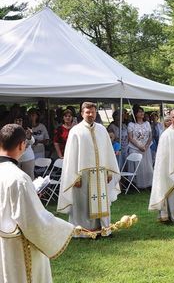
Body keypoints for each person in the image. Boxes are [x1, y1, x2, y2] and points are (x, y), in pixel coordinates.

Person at [0, 124, 74, 282]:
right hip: (17, 248)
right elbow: (33, 220)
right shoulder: (19, 179)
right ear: (22, 145)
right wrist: (66, 229)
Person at [57, 102, 120, 238]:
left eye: (93, 112)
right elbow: (71, 157)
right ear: (82, 113)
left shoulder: (102, 130)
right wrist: (75, 177)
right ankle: (84, 232)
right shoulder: (76, 131)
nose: (91, 114)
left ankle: (104, 228)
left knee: (102, 201)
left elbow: (108, 151)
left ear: (96, 113)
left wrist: (109, 172)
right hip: (83, 176)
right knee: (83, 204)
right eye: (87, 112)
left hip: (101, 174)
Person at [127, 106, 154, 189]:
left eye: (142, 111)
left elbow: (150, 136)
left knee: (147, 166)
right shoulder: (131, 124)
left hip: (146, 148)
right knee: (138, 167)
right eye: (139, 112)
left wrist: (145, 146)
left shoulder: (147, 123)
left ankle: (148, 184)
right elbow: (130, 137)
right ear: (135, 114)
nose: (142, 113)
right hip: (135, 148)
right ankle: (136, 184)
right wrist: (139, 146)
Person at [13, 115, 36, 180]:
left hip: (28, 159)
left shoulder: (26, 130)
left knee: (29, 179)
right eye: (16, 120)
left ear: (23, 121)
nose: (17, 122)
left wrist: (29, 137)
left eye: (20, 120)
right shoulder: (10, 131)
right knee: (16, 179)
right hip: (15, 159)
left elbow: (32, 142)